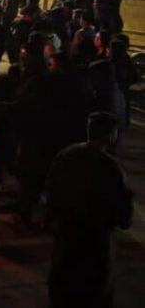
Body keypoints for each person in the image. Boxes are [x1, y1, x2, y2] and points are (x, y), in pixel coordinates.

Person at [46, 112, 132, 308]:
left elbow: (52, 192)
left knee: (62, 290)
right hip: (96, 243)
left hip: (66, 236)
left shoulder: (66, 155)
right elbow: (123, 216)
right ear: (111, 135)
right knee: (94, 294)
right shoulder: (111, 167)